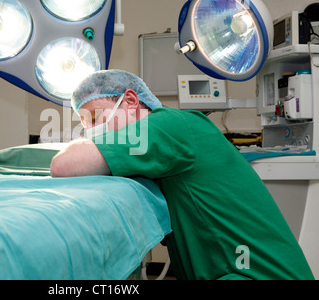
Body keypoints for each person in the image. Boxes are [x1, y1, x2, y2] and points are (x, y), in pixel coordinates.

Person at [50, 69, 314, 280]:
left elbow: (62, 166)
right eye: (86, 126)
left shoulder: (170, 125)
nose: (94, 131)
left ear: (130, 101)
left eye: (96, 118)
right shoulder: (158, 148)